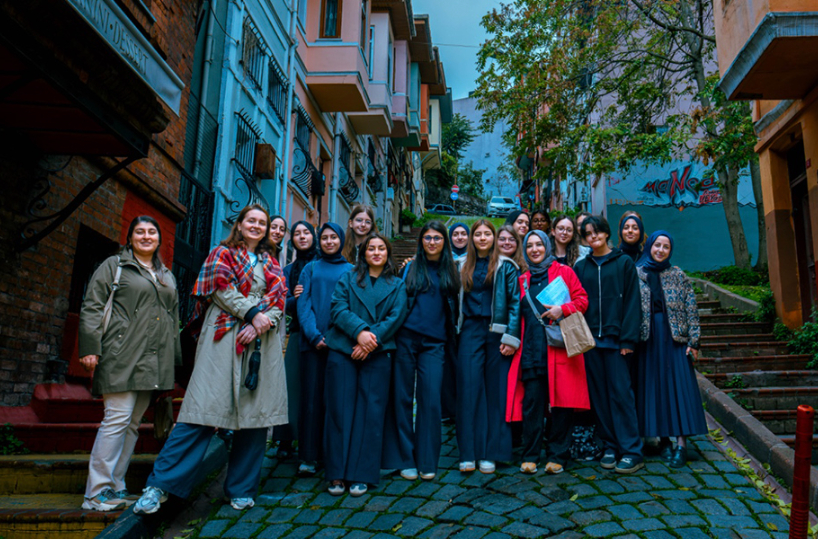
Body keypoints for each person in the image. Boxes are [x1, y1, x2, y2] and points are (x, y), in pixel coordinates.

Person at [134, 204, 287, 514]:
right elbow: (219, 289)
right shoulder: (222, 253)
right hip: (223, 343)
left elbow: (279, 299)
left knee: (254, 420)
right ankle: (159, 487)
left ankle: (242, 489)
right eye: (251, 221)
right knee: (200, 413)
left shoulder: (272, 263)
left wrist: (262, 323)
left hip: (260, 344)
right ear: (240, 225)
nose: (257, 226)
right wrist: (252, 313)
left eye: (262, 222)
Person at [79, 216, 181, 511]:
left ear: (159, 239)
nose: (146, 236)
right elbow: (92, 305)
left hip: (154, 360)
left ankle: (116, 486)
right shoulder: (115, 266)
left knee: (133, 424)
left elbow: (172, 320)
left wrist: (173, 364)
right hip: (120, 354)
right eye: (140, 232)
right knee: (116, 420)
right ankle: (96, 491)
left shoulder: (166, 274)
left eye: (152, 232)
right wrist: (90, 348)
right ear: (130, 237)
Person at [324, 234, 408, 496]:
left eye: (381, 248)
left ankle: (362, 473)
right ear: (363, 253)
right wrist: (359, 332)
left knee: (371, 414)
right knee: (340, 411)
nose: (376, 252)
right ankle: (337, 473)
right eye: (371, 248)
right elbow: (337, 308)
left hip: (377, 352)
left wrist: (369, 341)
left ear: (388, 253)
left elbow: (397, 316)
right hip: (343, 349)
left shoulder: (396, 285)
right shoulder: (348, 278)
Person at [506, 230, 590, 475]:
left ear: (547, 246)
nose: (534, 249)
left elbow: (582, 300)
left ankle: (557, 456)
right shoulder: (523, 280)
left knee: (562, 405)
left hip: (559, 349)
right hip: (531, 350)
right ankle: (530, 455)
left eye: (538, 244)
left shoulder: (564, 272)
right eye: (529, 246)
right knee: (532, 405)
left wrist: (562, 309)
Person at [383, 221, 460, 481]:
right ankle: (405, 458)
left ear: (444, 242)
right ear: (421, 241)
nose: (432, 242)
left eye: (437, 238)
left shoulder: (451, 271)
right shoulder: (410, 268)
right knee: (402, 398)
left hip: (435, 343)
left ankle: (427, 461)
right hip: (406, 338)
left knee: (430, 400)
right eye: (427, 237)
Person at [574, 215, 643, 474]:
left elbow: (633, 304)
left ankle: (632, 451)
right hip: (592, 343)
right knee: (600, 399)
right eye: (588, 234)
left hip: (616, 342)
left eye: (597, 232)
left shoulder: (624, 263)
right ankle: (610, 446)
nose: (593, 237)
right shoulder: (582, 267)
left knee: (621, 396)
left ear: (606, 234)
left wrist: (628, 340)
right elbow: (577, 302)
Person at [455, 220, 521, 474]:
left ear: (494, 238)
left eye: (487, 234)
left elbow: (515, 303)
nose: (482, 238)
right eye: (478, 234)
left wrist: (511, 338)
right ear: (472, 238)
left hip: (498, 334)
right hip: (470, 330)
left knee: (496, 394)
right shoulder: (461, 265)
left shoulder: (506, 266)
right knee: (469, 390)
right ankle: (468, 453)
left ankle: (491, 453)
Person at [635, 231, 705, 468]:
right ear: (650, 247)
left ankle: (681, 445)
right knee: (655, 388)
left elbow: (691, 308)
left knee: (679, 387)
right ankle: (663, 440)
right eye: (657, 245)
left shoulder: (678, 275)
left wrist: (694, 341)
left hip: (675, 337)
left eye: (666, 246)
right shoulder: (638, 274)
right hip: (648, 338)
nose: (661, 250)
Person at [296, 223, 353, 476]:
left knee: (336, 402)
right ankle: (308, 456)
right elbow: (303, 303)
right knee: (310, 402)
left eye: (333, 238)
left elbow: (351, 308)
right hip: (312, 344)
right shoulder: (310, 268)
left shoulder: (351, 270)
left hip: (340, 346)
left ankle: (333, 454)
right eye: (325, 238)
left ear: (341, 240)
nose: (329, 242)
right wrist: (314, 335)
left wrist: (335, 338)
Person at [549, 213, 595, 460]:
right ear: (553, 231)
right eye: (560, 228)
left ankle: (576, 439)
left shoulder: (581, 257)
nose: (565, 232)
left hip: (574, 326)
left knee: (572, 387)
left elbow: (582, 297)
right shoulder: (541, 258)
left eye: (569, 229)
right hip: (547, 328)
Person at [273, 221, 318, 460]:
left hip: (322, 333)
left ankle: (312, 439)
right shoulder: (289, 270)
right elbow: (283, 303)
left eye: (306, 233)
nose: (302, 237)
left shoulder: (322, 263)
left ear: (314, 236)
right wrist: (297, 299)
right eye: (297, 234)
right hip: (298, 331)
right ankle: (285, 438)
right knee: (290, 387)